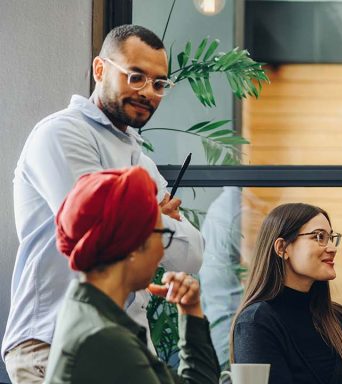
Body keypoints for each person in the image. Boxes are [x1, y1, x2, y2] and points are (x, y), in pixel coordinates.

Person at [5, 24, 203, 383]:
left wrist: (145, 219)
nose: (148, 92)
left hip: (126, 344)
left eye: (159, 84)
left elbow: (192, 255)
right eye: (136, 77)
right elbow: (97, 228)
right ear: (100, 69)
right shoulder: (62, 133)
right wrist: (154, 217)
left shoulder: (141, 161)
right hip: (53, 341)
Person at [44, 167, 218, 383]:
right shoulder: (106, 340)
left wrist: (190, 310)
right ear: (134, 245)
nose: (162, 252)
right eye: (161, 234)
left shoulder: (89, 317)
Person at [231, 203, 342, 384]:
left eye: (331, 238)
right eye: (319, 237)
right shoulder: (256, 323)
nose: (332, 248)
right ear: (282, 248)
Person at [198, 187, 244, 370]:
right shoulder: (238, 210)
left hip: (218, 320)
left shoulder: (221, 207)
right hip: (231, 326)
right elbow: (261, 271)